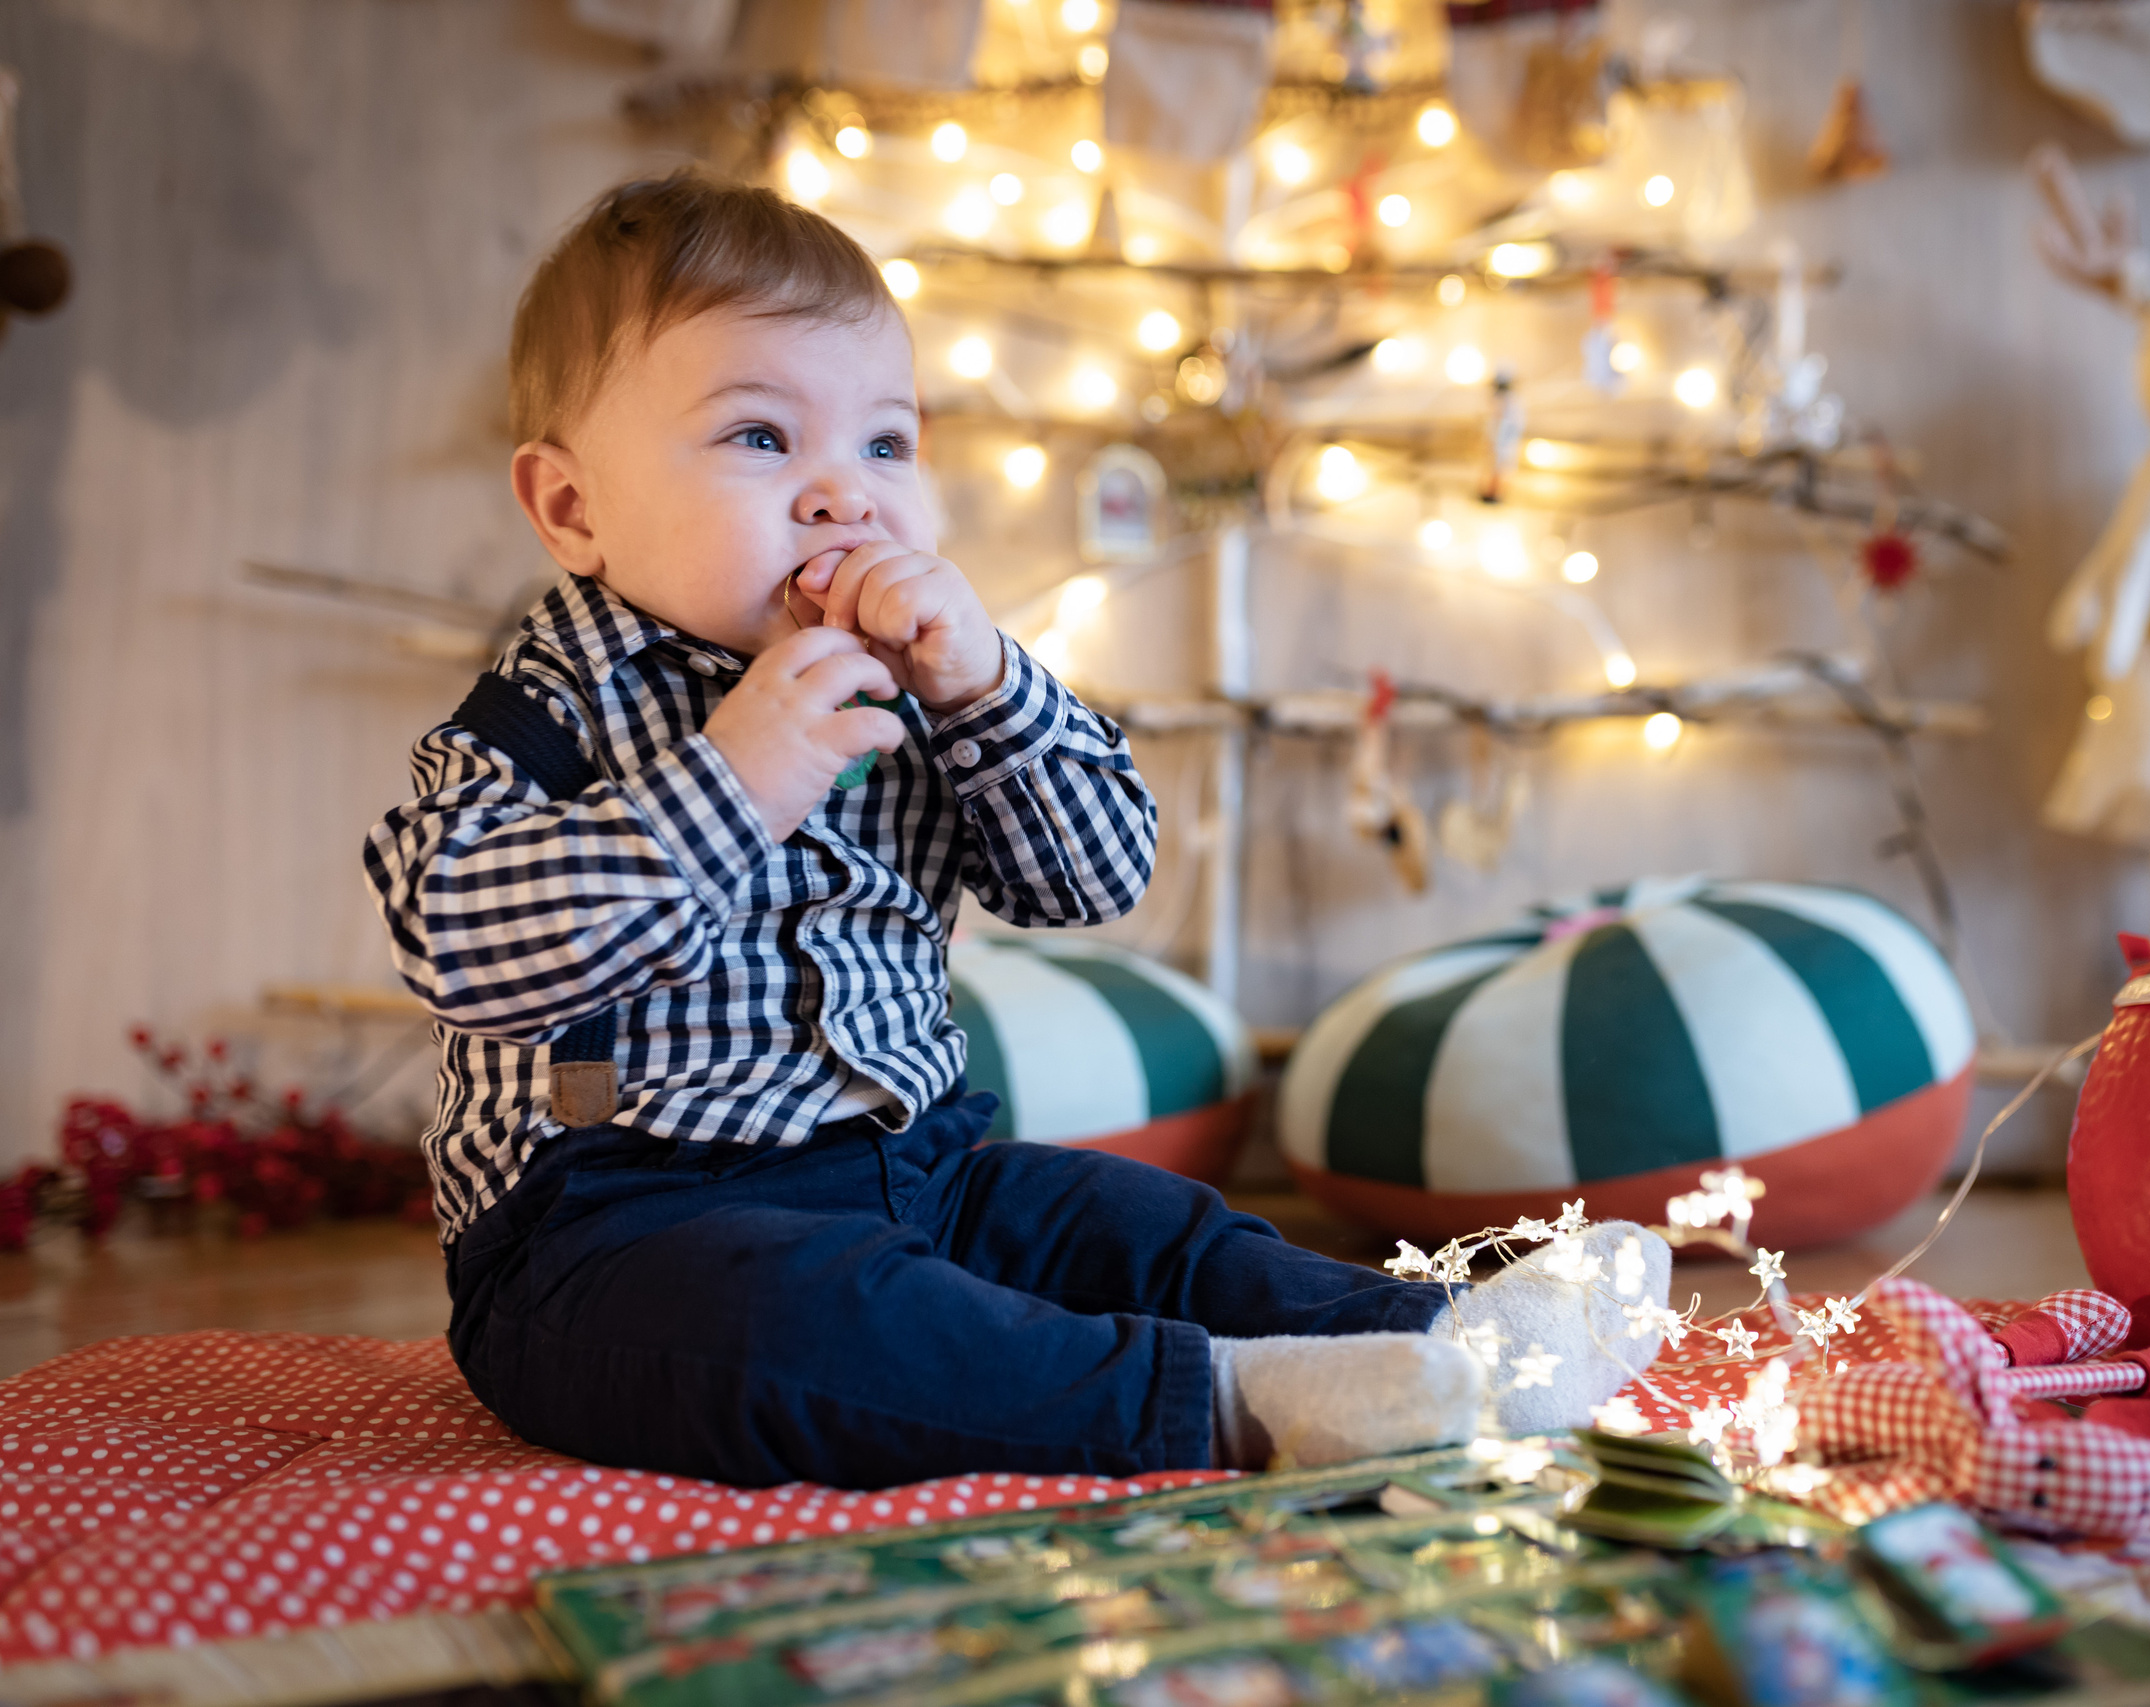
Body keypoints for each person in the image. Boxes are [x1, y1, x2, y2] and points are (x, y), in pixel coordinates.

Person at [363, 171, 1668, 1491]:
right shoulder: (547, 718)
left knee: (1133, 1224)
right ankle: (1229, 1403)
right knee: (822, 1324)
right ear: (573, 509)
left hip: (916, 1174)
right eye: (761, 437)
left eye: (885, 446)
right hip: (618, 1233)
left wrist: (990, 688)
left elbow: (1096, 877)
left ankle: (1445, 1344)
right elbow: (463, 949)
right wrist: (732, 784)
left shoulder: (920, 679)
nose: (843, 497)